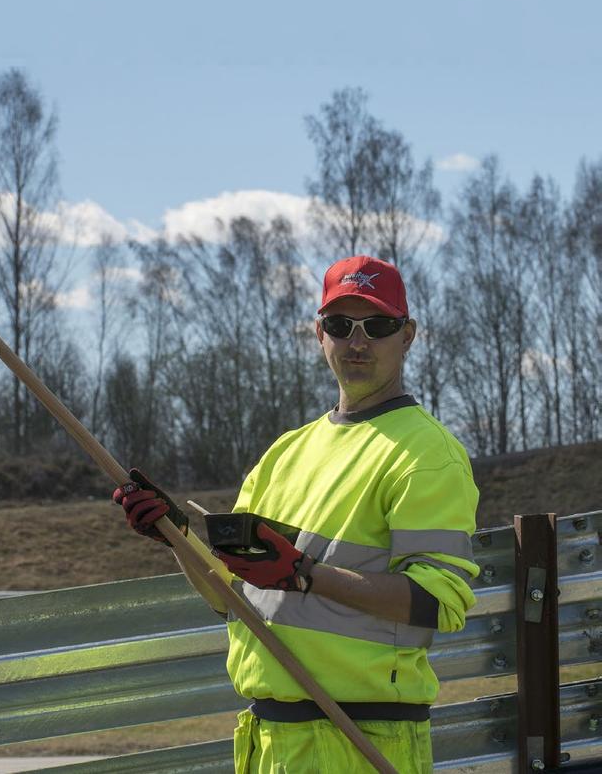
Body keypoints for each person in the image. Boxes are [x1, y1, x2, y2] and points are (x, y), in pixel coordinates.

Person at [113, 256, 479, 774]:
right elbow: (230, 597)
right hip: (269, 742)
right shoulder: (285, 453)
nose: (357, 342)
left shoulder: (426, 453)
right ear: (318, 333)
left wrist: (305, 575)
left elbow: (440, 603)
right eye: (339, 325)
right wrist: (175, 536)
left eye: (377, 326)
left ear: (408, 335)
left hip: (361, 741)